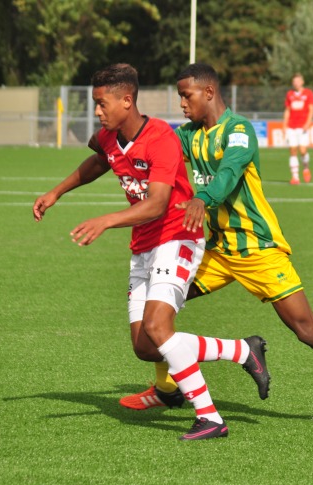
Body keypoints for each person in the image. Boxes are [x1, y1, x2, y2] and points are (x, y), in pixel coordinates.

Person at [120, 63, 313, 430]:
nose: (181, 103)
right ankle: (167, 390)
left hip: (258, 250)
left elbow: (229, 172)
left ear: (209, 92)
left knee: (308, 330)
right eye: (179, 95)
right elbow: (157, 144)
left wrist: (204, 198)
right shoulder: (186, 136)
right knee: (158, 311)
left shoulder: (240, 130)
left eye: (186, 95)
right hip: (214, 250)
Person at [32, 64, 270, 441]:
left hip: (178, 237)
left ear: (127, 101)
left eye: (101, 103)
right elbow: (97, 162)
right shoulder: (109, 137)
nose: (97, 111)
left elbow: (158, 204)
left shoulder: (161, 137)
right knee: (146, 346)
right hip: (144, 246)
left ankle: (209, 417)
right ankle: (243, 350)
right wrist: (56, 192)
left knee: (159, 328)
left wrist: (105, 221)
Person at [283, 73, 313, 185]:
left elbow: (311, 109)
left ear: (302, 82)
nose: (295, 83)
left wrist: (308, 123)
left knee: (302, 151)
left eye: (297, 81)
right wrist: (284, 125)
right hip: (291, 127)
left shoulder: (308, 93)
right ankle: (295, 177)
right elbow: (287, 110)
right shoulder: (289, 94)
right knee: (292, 151)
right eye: (294, 82)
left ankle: (306, 167)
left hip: (302, 127)